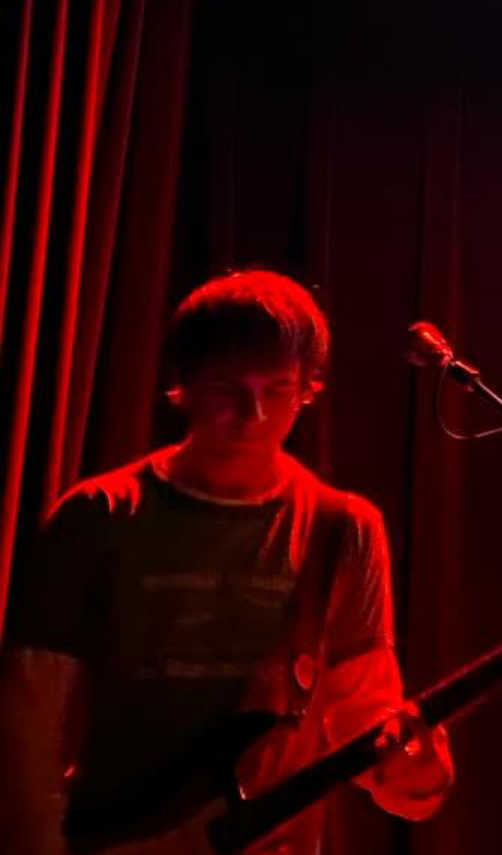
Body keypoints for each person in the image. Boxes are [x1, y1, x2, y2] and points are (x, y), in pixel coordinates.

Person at [0, 269, 454, 855]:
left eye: (278, 390)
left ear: (308, 389)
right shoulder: (101, 513)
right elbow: (28, 713)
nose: (254, 414)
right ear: (182, 385)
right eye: (227, 390)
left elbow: (360, 710)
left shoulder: (343, 528)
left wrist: (415, 773)